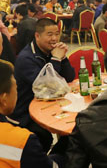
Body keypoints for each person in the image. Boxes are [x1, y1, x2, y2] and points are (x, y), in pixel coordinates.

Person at [13, 18, 75, 150]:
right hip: (27, 112)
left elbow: (70, 78)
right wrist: (56, 59)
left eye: (57, 34)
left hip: (51, 103)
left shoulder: (51, 51)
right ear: (37, 36)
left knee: (76, 125)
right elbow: (48, 86)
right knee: (46, 137)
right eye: (49, 34)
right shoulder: (26, 58)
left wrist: (63, 58)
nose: (54, 38)